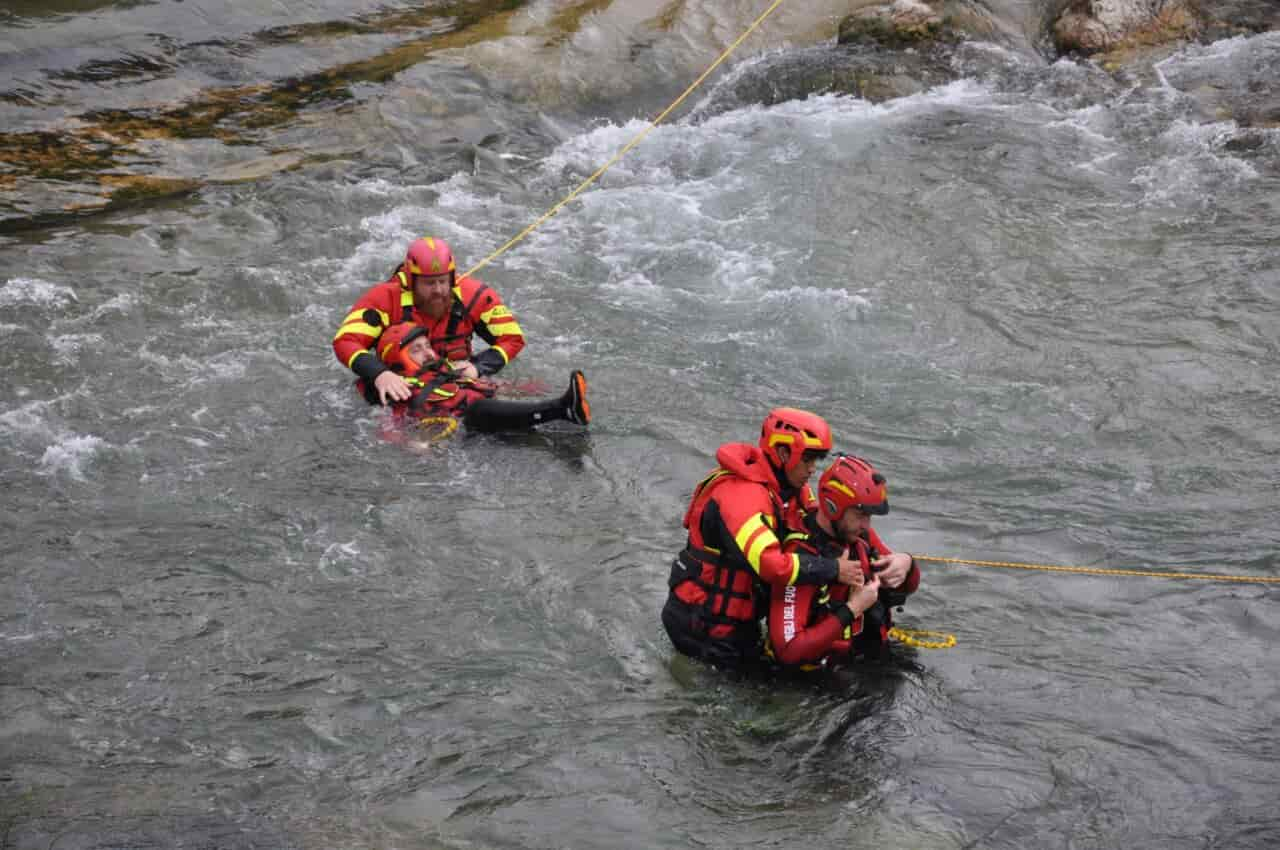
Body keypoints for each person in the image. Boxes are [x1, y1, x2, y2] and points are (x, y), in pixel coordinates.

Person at [661, 408, 867, 671]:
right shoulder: (742, 497)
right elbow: (772, 566)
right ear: (782, 453)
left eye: (817, 460)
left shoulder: (790, 488)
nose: (813, 469)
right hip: (702, 626)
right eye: (807, 460)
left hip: (735, 623)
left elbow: (820, 523)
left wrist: (887, 554)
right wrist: (835, 569)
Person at [766, 455, 920, 670]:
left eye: (869, 516)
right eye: (860, 514)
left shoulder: (859, 535)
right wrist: (853, 608)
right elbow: (788, 651)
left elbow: (906, 585)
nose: (866, 525)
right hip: (819, 679)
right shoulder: (800, 556)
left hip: (866, 659)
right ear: (833, 507)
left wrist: (907, 564)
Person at [332, 236, 525, 406]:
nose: (439, 290)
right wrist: (380, 374)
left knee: (529, 389)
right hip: (403, 388)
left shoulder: (474, 295)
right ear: (411, 280)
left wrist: (478, 367)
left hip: (457, 380)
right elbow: (346, 341)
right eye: (429, 283)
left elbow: (512, 338)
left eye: (443, 281)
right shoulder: (384, 299)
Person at [375, 321, 589, 436]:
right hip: (469, 427)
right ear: (398, 359)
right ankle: (564, 408)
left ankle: (565, 406)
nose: (429, 353)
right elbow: (388, 428)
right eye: (417, 350)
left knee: (485, 401)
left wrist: (528, 389)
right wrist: (413, 444)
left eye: (428, 345)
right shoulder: (399, 388)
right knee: (477, 410)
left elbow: (486, 387)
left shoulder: (446, 370)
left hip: (489, 416)